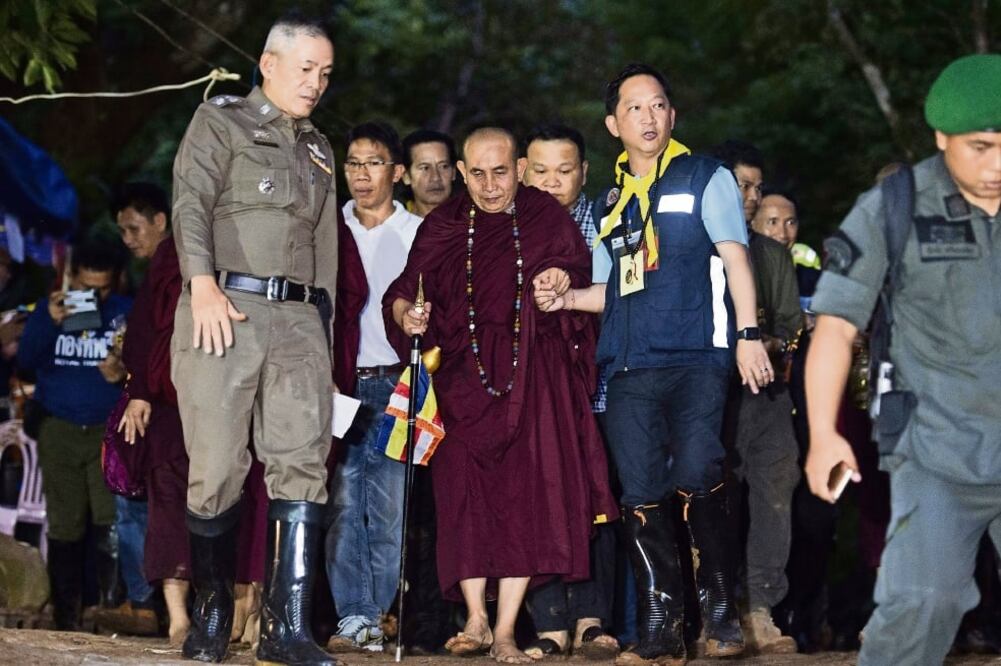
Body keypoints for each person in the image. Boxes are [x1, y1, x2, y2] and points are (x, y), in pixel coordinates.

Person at [534, 64, 773, 665]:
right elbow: (610, 287)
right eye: (635, 108)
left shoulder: (703, 176)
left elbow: (736, 259)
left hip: (698, 355)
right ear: (614, 123)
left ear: (673, 115)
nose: (649, 116)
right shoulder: (612, 201)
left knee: (698, 467)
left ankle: (718, 606)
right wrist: (566, 296)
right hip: (628, 366)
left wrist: (748, 335)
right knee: (639, 491)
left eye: (659, 105)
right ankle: (661, 625)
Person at [384, 126, 618, 665]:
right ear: (462, 174)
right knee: (462, 497)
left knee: (521, 501)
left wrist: (559, 279)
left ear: (519, 168)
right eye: (479, 174)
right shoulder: (443, 224)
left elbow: (575, 271)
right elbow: (404, 291)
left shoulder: (543, 215)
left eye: (501, 172)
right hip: (462, 380)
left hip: (532, 376)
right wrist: (409, 315)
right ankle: (475, 618)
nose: (491, 186)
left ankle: (508, 629)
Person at [804, 53, 1001, 666]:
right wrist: (821, 434)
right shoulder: (894, 205)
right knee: (919, 603)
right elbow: (835, 326)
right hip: (939, 448)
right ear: (941, 138)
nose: (997, 165)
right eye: (981, 146)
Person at [170, 13, 338, 665]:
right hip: (224, 308)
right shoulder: (221, 121)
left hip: (298, 321)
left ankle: (286, 628)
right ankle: (211, 616)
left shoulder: (319, 147)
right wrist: (200, 283)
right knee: (215, 470)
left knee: (303, 463)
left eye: (325, 73)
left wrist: (320, 333)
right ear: (268, 63)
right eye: (305, 69)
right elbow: (189, 203)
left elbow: (323, 249)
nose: (316, 83)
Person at [520, 123, 619, 660]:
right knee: (542, 498)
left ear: (584, 172)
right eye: (541, 171)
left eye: (565, 170)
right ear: (521, 172)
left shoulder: (607, 221)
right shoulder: (509, 228)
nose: (553, 182)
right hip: (531, 393)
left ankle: (593, 618)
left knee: (598, 500)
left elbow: (624, 294)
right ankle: (550, 620)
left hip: (598, 385)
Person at [325, 121, 422, 653]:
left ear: (398, 171)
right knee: (341, 502)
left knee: (388, 506)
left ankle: (377, 614)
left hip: (396, 382)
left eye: (374, 163)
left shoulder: (418, 232)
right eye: (353, 164)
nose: (361, 175)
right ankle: (352, 616)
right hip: (339, 384)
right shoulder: (327, 228)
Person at [712, 142, 802, 655]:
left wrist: (767, 342)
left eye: (756, 187)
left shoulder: (771, 254)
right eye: (741, 186)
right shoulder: (695, 247)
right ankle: (714, 610)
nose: (751, 196)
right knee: (710, 500)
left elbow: (790, 326)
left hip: (765, 394)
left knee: (775, 489)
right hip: (710, 395)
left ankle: (761, 609)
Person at [16, 238, 131, 631]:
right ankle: (67, 615)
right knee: (65, 524)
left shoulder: (123, 312)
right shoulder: (51, 310)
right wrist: (48, 321)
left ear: (114, 282)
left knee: (108, 519)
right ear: (72, 278)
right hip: (59, 429)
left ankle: (109, 610)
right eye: (84, 287)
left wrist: (122, 365)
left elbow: (142, 369)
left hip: (106, 431)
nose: (92, 296)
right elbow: (27, 363)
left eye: (100, 289)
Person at [93, 182, 172, 638]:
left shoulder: (179, 264)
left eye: (133, 228)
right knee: (130, 498)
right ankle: (144, 601)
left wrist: (142, 386)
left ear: (159, 220)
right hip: (146, 398)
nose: (127, 239)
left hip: (162, 404)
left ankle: (158, 603)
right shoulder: (158, 268)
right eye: (121, 231)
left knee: (145, 500)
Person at [402, 129, 458, 217]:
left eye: (443, 166)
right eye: (425, 168)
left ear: (453, 172)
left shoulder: (475, 223)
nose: (435, 177)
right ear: (406, 176)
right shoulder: (390, 226)